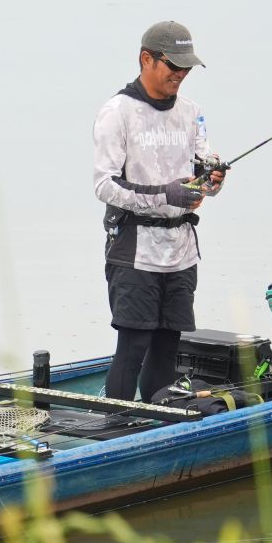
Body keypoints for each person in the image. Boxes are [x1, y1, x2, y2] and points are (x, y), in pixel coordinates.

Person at [93, 20, 226, 402]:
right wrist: (166, 194)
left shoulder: (192, 112)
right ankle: (118, 423)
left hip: (181, 249)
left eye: (187, 67)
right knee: (133, 345)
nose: (180, 74)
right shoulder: (117, 112)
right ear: (146, 59)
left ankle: (160, 421)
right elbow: (104, 185)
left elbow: (204, 168)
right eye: (173, 65)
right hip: (134, 247)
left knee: (168, 344)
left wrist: (212, 180)